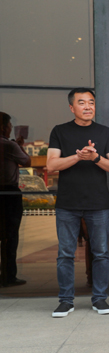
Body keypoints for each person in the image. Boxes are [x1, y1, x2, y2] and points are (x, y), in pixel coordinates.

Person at [46, 88, 109, 318]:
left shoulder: (105, 132)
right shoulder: (59, 131)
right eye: (82, 102)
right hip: (67, 203)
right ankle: (66, 301)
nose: (88, 106)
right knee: (65, 254)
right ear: (72, 107)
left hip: (98, 203)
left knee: (101, 253)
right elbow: (51, 165)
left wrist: (95, 157)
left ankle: (99, 299)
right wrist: (78, 156)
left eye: (91, 102)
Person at [0, 112, 31, 287]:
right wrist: (19, 147)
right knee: (10, 235)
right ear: (3, 127)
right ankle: (8, 275)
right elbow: (27, 161)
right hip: (8, 193)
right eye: (9, 125)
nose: (11, 128)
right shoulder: (8, 145)